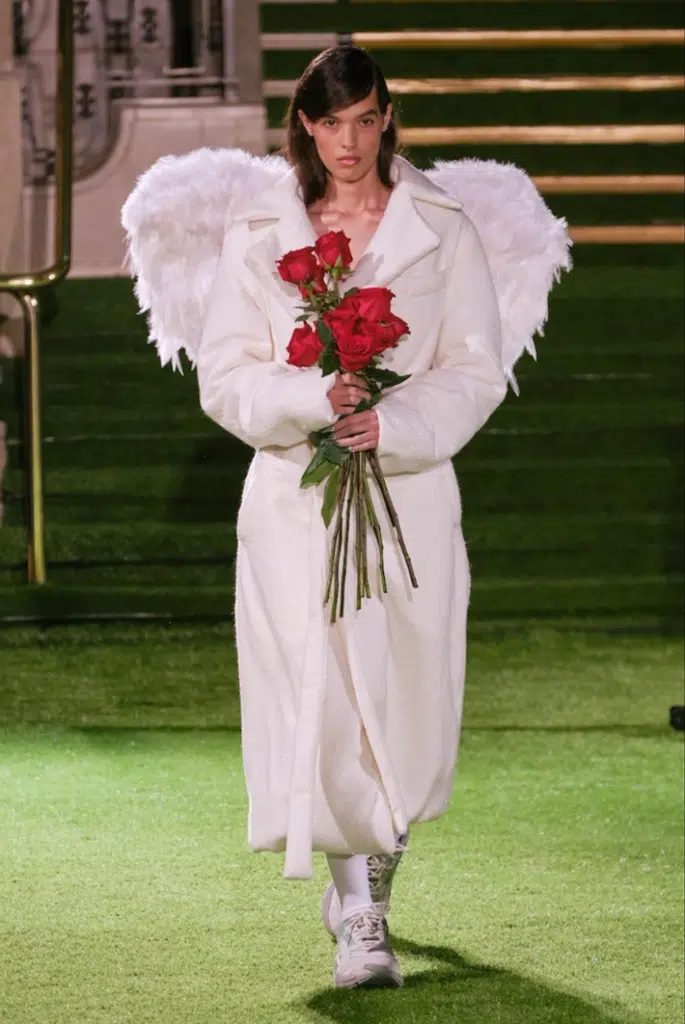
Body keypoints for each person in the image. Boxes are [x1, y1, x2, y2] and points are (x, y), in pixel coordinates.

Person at [196, 44, 507, 989]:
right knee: (321, 698)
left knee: (407, 694)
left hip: (405, 496)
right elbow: (225, 373)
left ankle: (374, 873)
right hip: (296, 498)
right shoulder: (258, 228)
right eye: (331, 122)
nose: (349, 140)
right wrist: (310, 396)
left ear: (388, 117)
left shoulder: (439, 226)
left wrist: (394, 419)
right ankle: (361, 913)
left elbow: (474, 365)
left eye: (366, 119)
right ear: (303, 125)